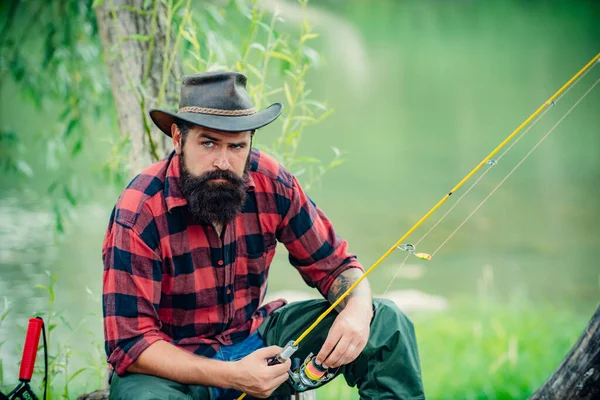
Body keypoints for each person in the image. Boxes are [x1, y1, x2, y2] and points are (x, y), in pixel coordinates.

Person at [102, 71, 425, 400]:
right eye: (209, 143)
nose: (223, 162)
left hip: (258, 343)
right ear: (178, 138)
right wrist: (232, 375)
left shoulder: (272, 181)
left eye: (237, 146)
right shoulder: (140, 209)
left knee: (386, 323)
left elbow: (336, 266)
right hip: (176, 368)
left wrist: (356, 313)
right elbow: (129, 342)